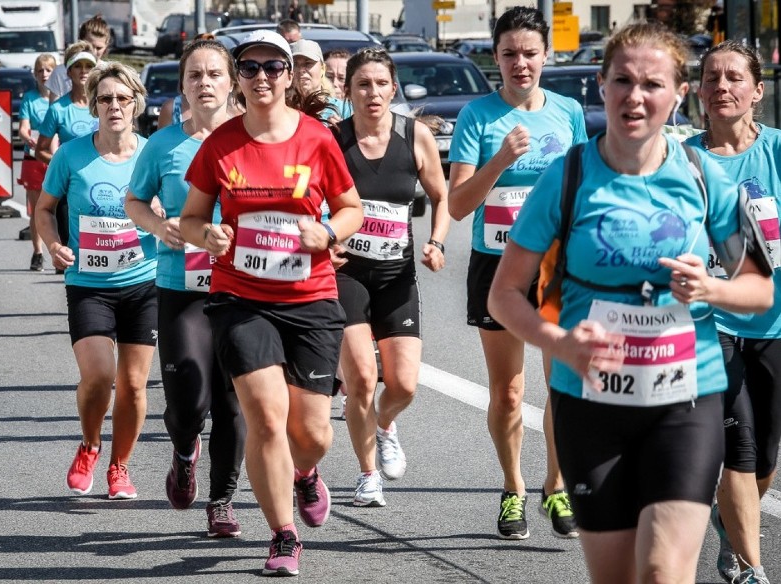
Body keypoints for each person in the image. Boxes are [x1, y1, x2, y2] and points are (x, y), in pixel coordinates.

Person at [488, 23, 774, 583]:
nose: (635, 96)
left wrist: (711, 289)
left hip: (685, 400)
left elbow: (758, 286)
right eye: (622, 80)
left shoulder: (703, 176)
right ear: (601, 85)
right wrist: (558, 341)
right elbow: (504, 294)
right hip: (591, 407)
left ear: (677, 94)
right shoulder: (567, 175)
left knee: (665, 572)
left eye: (652, 84)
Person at [179, 30, 363, 576]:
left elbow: (350, 207)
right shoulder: (221, 144)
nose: (262, 77)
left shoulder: (317, 139)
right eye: (251, 67)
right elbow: (191, 217)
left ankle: (305, 472)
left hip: (311, 298)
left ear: (288, 74)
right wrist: (205, 237)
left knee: (311, 433)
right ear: (239, 77)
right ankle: (283, 535)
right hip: (241, 296)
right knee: (264, 417)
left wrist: (327, 233)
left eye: (273, 67)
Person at [447, 6, 586, 540]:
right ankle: (512, 489)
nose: (520, 63)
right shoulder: (477, 117)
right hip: (496, 263)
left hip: (555, 266)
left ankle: (555, 486)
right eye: (509, 54)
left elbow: (579, 187)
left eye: (529, 53)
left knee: (562, 387)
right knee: (507, 392)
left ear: (545, 56)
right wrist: (499, 160)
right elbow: (458, 205)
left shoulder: (569, 111)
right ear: (495, 58)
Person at [124, 39, 247, 538]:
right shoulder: (164, 145)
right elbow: (134, 201)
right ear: (182, 86)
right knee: (189, 398)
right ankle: (183, 451)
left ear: (231, 81)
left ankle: (221, 501)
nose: (205, 83)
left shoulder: (249, 140)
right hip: (182, 285)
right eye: (194, 75)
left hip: (243, 288)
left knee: (233, 400)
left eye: (214, 74)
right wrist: (157, 226)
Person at [34, 62, 156, 500]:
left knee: (135, 384)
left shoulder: (151, 154)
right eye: (106, 99)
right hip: (89, 283)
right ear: (92, 104)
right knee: (99, 377)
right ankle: (89, 444)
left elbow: (183, 205)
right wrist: (53, 245)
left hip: (145, 281)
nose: (115, 106)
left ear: (136, 102)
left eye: (123, 98)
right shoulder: (71, 155)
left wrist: (164, 216)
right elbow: (45, 208)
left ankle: (120, 467)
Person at [334, 47, 449, 507]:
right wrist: (327, 237)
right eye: (363, 84)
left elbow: (442, 197)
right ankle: (367, 477)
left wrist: (437, 242)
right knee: (361, 378)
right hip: (347, 275)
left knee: (402, 384)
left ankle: (384, 425)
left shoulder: (414, 135)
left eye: (381, 84)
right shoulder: (332, 139)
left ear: (393, 88)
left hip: (397, 274)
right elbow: (308, 199)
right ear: (348, 91)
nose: (373, 92)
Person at [685, 40, 781, 584]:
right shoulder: (683, 159)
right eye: (712, 78)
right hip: (710, 324)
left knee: (765, 455)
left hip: (774, 323)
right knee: (738, 447)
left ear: (757, 91)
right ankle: (752, 570)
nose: (722, 86)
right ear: (699, 91)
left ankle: (728, 518)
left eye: (734, 78)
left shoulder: (777, 152)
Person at [36, 42, 100, 272]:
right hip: (69, 189)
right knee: (70, 253)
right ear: (69, 72)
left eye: (88, 66)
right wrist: (62, 166)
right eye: (78, 66)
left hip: (103, 183)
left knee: (105, 246)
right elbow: (40, 149)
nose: (83, 71)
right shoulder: (59, 109)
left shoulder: (104, 104)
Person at [18, 53, 56, 272]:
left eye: (48, 70)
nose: (44, 74)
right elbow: (23, 126)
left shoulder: (60, 98)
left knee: (60, 208)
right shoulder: (30, 98)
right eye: (40, 70)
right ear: (35, 74)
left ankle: (60, 250)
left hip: (54, 158)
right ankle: (38, 252)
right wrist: (26, 137)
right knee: (36, 208)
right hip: (33, 157)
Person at [45, 15, 111, 100]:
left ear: (106, 47)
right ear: (80, 41)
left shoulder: (109, 73)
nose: (94, 52)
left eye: (99, 48)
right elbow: (53, 109)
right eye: (90, 45)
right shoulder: (61, 72)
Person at [289, 39, 351, 121]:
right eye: (295, 64)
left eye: (308, 63)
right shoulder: (280, 109)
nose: (301, 70)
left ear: (323, 69)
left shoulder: (344, 110)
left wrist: (344, 131)